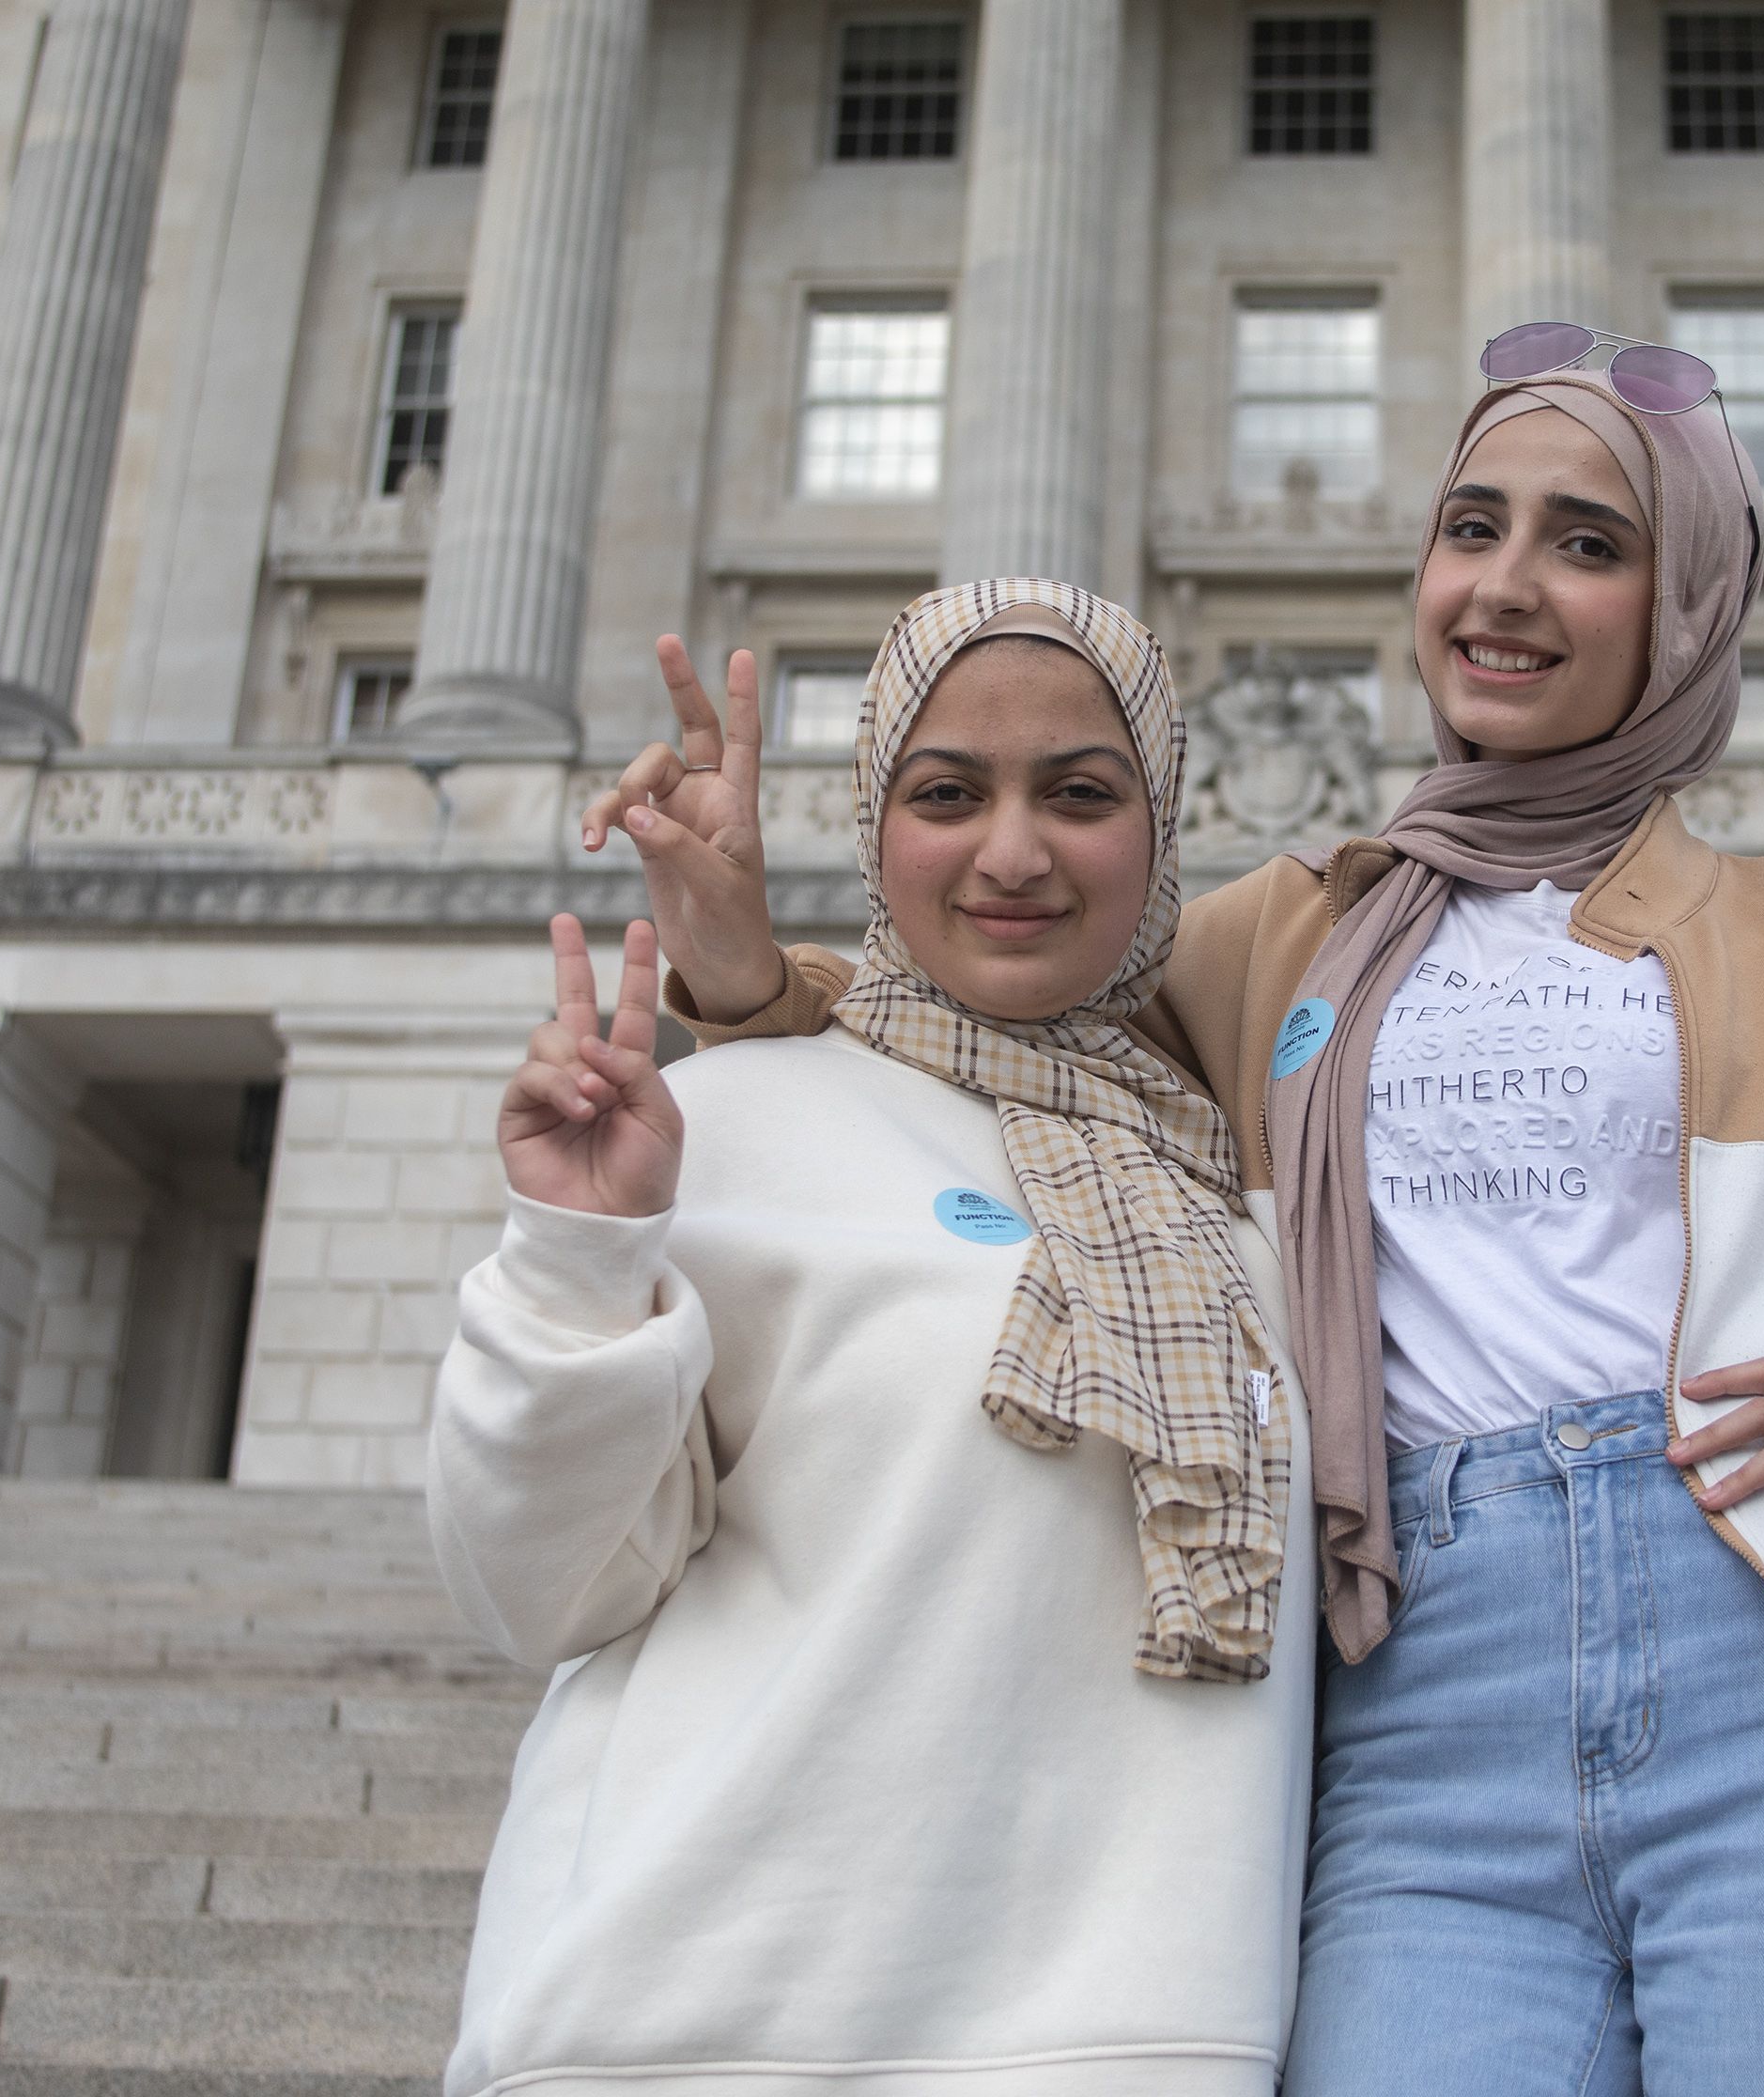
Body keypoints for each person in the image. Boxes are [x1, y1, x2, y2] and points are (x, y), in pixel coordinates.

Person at [611, 347, 1764, 2093]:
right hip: (1415, 1699)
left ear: (1684, 607)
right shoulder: (1273, 942)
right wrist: (740, 973)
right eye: (1472, 528)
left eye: (1588, 543)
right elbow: (983, 1033)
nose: (1504, 585)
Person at [433, 579, 1314, 2097]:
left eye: (1081, 794)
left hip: (1134, 2045)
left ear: (1163, 827)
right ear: (872, 825)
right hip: (686, 2038)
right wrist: (577, 1258)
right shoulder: (718, 1118)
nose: (1013, 854)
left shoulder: (1244, 1211)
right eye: (948, 794)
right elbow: (534, 1588)